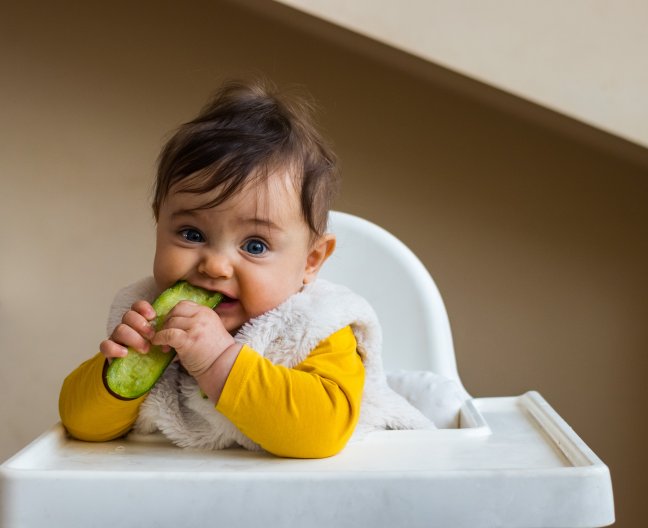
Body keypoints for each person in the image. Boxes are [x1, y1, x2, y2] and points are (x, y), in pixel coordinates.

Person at [59, 79, 433, 458]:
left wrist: (218, 361)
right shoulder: (150, 316)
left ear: (311, 261)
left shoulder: (316, 327)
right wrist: (116, 372)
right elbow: (81, 426)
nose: (216, 265)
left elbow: (321, 434)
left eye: (255, 245)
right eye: (191, 233)